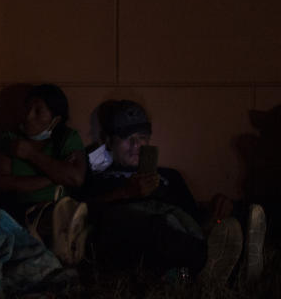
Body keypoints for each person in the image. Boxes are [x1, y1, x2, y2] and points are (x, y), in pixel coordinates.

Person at [83, 100, 266, 284]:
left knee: (230, 217)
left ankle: (232, 258)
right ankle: (208, 265)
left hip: (177, 231)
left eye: (142, 137)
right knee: (150, 225)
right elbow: (86, 212)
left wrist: (217, 208)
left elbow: (191, 214)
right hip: (134, 236)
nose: (136, 145)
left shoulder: (169, 175)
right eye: (126, 137)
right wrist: (126, 193)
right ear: (109, 141)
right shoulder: (99, 176)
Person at [0, 84, 88, 264]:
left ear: (55, 120)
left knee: (62, 214)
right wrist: (55, 175)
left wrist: (31, 154)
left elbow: (75, 178)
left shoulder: (67, 138)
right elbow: (0, 182)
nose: (28, 116)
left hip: (56, 207)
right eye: (27, 109)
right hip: (18, 209)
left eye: (38, 111)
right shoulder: (9, 139)